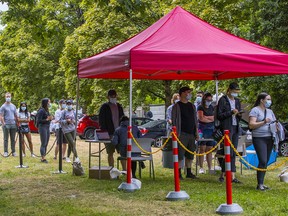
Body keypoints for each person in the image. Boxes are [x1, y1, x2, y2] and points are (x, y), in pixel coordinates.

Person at [249, 93, 276, 191]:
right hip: (259, 137)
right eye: (268, 99)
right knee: (263, 160)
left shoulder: (270, 111)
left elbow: (274, 122)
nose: (269, 101)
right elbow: (251, 125)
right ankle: (259, 184)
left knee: (266, 161)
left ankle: (262, 183)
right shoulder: (255, 110)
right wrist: (264, 122)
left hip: (270, 137)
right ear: (261, 100)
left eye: (270, 99)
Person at [217, 82, 242, 183]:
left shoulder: (237, 101)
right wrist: (231, 112)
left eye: (237, 91)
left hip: (236, 127)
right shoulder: (223, 100)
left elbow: (238, 113)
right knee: (228, 151)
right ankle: (226, 174)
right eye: (235, 91)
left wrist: (239, 114)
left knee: (233, 152)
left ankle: (229, 175)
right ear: (229, 90)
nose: (236, 93)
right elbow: (219, 115)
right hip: (227, 127)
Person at [172, 86, 199, 180]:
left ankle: (189, 172)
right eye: (188, 92)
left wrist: (196, 132)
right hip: (181, 134)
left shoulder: (192, 106)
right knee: (180, 155)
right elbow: (174, 121)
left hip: (191, 133)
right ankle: (178, 173)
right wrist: (176, 133)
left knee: (190, 154)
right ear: (183, 93)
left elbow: (195, 120)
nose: (189, 94)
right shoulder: (177, 106)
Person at [99, 89, 124, 167]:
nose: (113, 98)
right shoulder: (104, 107)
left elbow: (123, 118)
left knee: (122, 153)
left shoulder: (119, 106)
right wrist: (104, 133)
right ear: (108, 97)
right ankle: (111, 169)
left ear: (116, 96)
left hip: (119, 134)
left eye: (114, 96)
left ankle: (125, 170)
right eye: (111, 96)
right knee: (110, 152)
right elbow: (101, 121)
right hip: (109, 134)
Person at [197, 92, 215, 174]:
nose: (209, 101)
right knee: (202, 148)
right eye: (208, 100)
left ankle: (210, 167)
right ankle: (201, 167)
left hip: (211, 129)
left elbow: (214, 118)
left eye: (210, 100)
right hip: (203, 129)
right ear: (204, 99)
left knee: (209, 149)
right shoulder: (200, 107)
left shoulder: (212, 107)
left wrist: (207, 117)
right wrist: (209, 119)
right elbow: (201, 118)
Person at [0, 92, 18, 157]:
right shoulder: (3, 106)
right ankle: (5, 152)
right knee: (5, 139)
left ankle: (13, 151)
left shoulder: (13, 106)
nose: (8, 98)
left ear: (11, 97)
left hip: (13, 124)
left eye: (9, 96)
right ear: (5, 97)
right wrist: (3, 123)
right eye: (7, 96)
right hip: (6, 124)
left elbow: (15, 115)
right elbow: (1, 116)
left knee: (13, 139)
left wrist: (17, 123)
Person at [38, 98, 53, 163]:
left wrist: (50, 118)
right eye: (49, 102)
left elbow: (48, 118)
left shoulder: (46, 110)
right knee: (43, 143)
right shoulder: (41, 110)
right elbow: (39, 120)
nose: (49, 103)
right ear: (46, 103)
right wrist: (46, 120)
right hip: (42, 127)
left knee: (46, 143)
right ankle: (43, 158)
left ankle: (44, 156)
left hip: (47, 127)